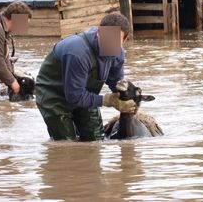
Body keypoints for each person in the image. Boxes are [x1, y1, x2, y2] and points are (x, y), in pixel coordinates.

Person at [35, 12, 137, 141]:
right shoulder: (78, 52)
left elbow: (115, 82)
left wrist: (125, 98)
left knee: (96, 141)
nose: (109, 45)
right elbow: (74, 96)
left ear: (125, 39)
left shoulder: (119, 53)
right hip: (54, 97)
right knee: (67, 145)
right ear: (98, 33)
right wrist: (108, 100)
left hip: (84, 95)